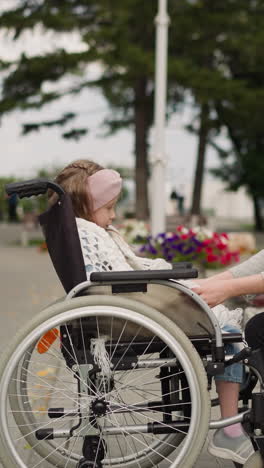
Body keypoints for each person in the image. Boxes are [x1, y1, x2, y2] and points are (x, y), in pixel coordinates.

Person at [51, 159, 253, 464]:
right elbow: (117, 278)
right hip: (130, 317)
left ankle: (230, 425)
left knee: (209, 306)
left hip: (119, 312)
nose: (114, 215)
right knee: (226, 332)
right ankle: (230, 430)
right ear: (86, 204)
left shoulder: (75, 232)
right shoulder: (89, 234)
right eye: (108, 208)